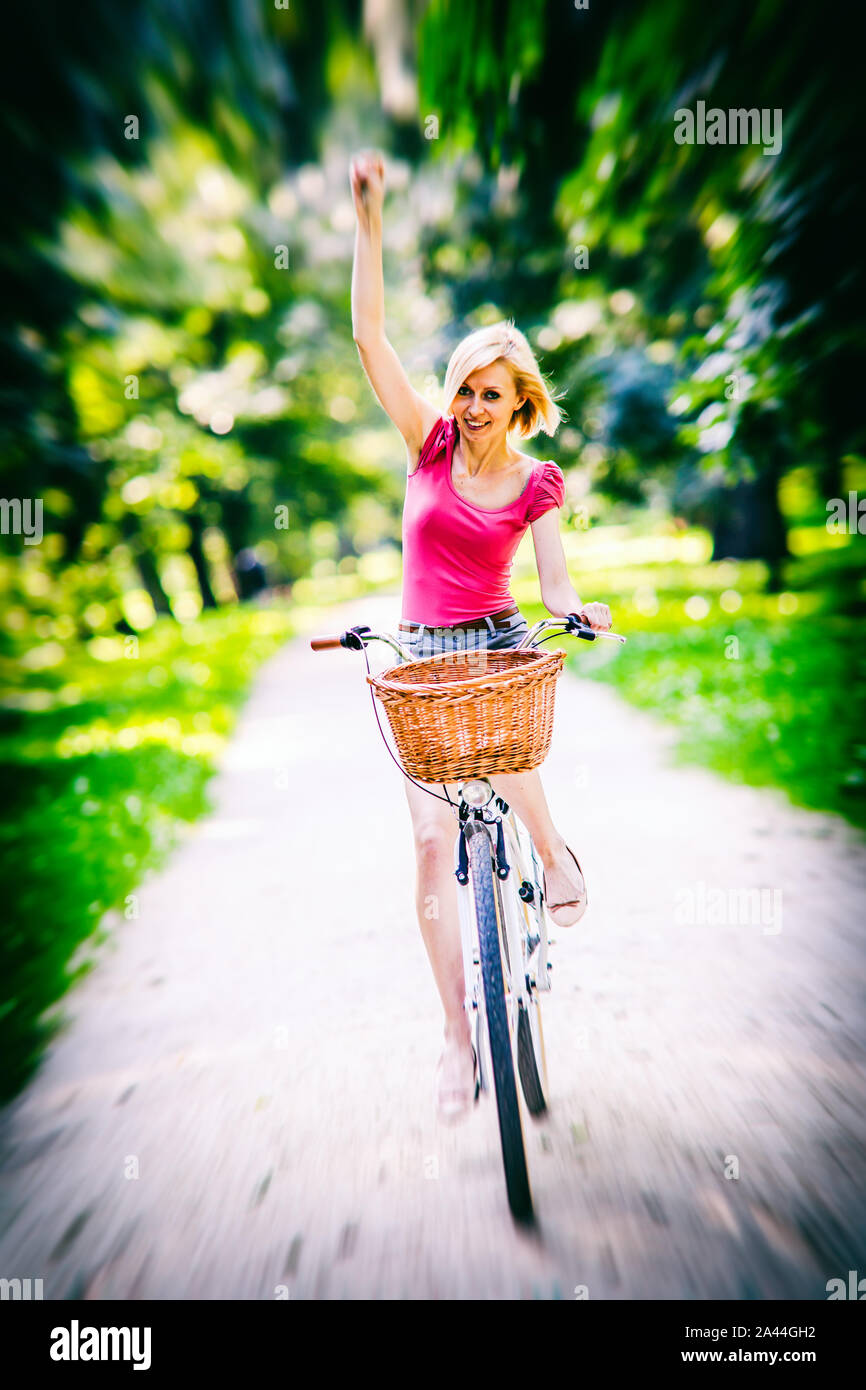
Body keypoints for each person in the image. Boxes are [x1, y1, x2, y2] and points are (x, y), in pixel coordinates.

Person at [349, 149, 613, 1122]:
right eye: (461, 387)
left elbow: (552, 577)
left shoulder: (536, 480)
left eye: (487, 395)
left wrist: (575, 609)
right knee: (426, 845)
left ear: (520, 404)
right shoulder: (426, 441)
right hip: (421, 647)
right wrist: (369, 221)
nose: (467, 407)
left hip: (494, 638)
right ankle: (458, 1038)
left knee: (502, 737)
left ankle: (554, 856)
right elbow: (370, 335)